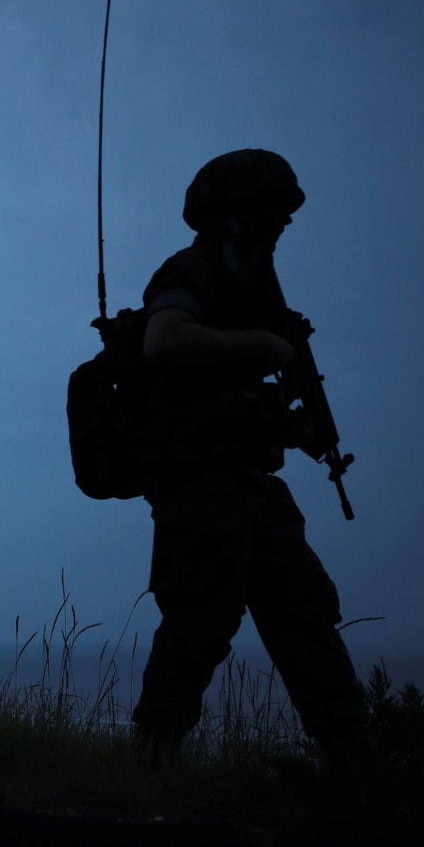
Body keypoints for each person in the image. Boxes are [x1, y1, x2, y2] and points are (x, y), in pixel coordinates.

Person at [130, 149, 369, 766]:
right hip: (200, 483)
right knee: (198, 627)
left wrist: (292, 424)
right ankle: (149, 770)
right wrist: (262, 343)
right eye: (275, 210)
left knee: (306, 619)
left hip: (252, 483)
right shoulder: (194, 269)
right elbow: (164, 340)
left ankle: (357, 770)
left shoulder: (251, 285)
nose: (284, 223)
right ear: (239, 210)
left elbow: (239, 396)